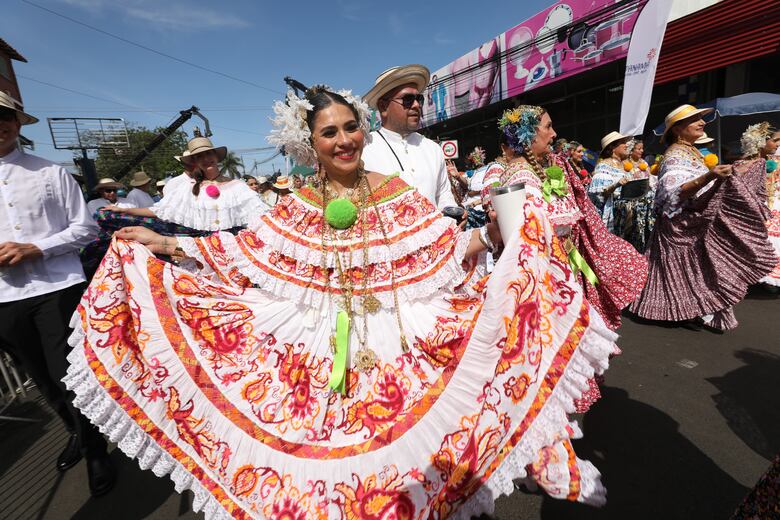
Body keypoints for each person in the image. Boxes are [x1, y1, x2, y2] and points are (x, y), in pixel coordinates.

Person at [67, 85, 620, 517]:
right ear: (311, 145)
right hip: (316, 346)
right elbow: (248, 250)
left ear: (363, 129)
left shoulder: (395, 192)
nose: (344, 140)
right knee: (323, 476)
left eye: (351, 127)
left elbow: (442, 245)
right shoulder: (296, 203)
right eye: (329, 133)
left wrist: (493, 233)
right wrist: (167, 244)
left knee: (414, 464)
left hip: (401, 337)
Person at [481, 106, 647, 412]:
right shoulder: (520, 176)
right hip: (543, 280)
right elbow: (525, 241)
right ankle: (550, 407)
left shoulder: (538, 169)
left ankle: (562, 398)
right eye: (548, 127)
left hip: (558, 272)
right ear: (528, 136)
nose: (554, 133)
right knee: (549, 344)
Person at [0, 91, 114, 496]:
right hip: (4, 296)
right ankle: (76, 433)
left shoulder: (49, 171)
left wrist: (37, 248)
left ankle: (96, 449)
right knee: (41, 380)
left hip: (57, 287)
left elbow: (86, 229)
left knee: (69, 376)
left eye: (4, 116)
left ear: (18, 122)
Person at [629, 105, 776, 332]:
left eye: (701, 118)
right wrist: (709, 176)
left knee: (692, 268)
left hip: (690, 220)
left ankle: (689, 310)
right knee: (680, 269)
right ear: (677, 129)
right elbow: (673, 191)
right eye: (695, 119)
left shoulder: (691, 152)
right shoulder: (675, 154)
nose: (702, 122)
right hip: (678, 224)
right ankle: (675, 310)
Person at [107, 136, 268, 230]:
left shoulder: (238, 186)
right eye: (199, 156)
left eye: (208, 154)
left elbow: (262, 216)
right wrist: (124, 210)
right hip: (204, 250)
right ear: (195, 162)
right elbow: (161, 210)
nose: (206, 159)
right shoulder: (188, 188)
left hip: (233, 249)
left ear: (216, 156)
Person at [362, 64, 457, 210]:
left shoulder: (432, 149)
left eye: (419, 99)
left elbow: (443, 196)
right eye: (408, 99)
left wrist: (452, 211)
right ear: (383, 106)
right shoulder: (364, 149)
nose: (416, 105)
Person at [739, 122, 780, 290]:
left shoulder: (772, 161)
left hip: (773, 204)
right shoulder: (749, 164)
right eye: (775, 140)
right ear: (761, 142)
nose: (778, 145)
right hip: (758, 208)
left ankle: (770, 277)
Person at [588, 132, 632, 234]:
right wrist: (616, 185)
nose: (626, 145)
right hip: (612, 216)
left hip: (625, 216)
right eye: (623, 142)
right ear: (613, 147)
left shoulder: (623, 165)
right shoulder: (603, 165)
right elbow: (599, 196)